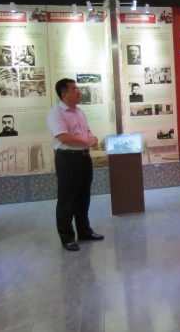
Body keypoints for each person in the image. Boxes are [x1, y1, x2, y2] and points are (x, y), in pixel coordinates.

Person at [47, 78, 103, 251]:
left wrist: (91, 138)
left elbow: (86, 131)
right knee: (67, 199)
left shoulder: (79, 111)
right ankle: (67, 237)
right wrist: (87, 142)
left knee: (83, 197)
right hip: (67, 159)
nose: (79, 92)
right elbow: (64, 137)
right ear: (64, 94)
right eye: (75, 89)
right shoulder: (56, 113)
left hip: (84, 158)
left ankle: (84, 231)